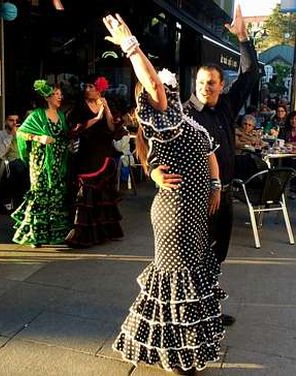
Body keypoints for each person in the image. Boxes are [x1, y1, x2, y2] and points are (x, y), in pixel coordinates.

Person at [103, 14, 225, 375]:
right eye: (162, 87)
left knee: (191, 272)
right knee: (175, 276)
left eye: (168, 85)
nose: (166, 88)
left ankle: (189, 343)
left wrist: (215, 186)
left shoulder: (186, 121)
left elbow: (209, 152)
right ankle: (174, 352)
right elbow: (152, 85)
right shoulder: (163, 114)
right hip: (175, 211)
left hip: (194, 209)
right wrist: (131, 46)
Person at [151, 4, 258, 327]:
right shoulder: (184, 113)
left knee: (217, 255)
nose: (205, 88)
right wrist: (154, 169)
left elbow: (251, 74)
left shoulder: (226, 105)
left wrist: (242, 38)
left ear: (221, 86)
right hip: (196, 198)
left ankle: (208, 306)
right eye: (200, 82)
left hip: (224, 194)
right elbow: (159, 146)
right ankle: (191, 313)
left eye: (211, 83)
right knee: (195, 256)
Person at [65, 75, 124, 247]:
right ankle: (81, 232)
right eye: (87, 86)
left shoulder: (108, 104)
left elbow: (113, 128)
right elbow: (75, 128)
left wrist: (105, 110)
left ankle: (103, 232)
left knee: (102, 193)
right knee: (85, 190)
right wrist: (96, 117)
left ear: (100, 89)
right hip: (87, 153)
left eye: (91, 86)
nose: (88, 89)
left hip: (104, 153)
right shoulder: (80, 107)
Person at [12, 80, 70, 247]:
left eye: (60, 94)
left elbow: (64, 137)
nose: (60, 97)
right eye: (56, 94)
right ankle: (35, 235)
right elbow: (21, 132)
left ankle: (55, 235)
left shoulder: (61, 116)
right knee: (39, 195)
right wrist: (39, 138)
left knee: (57, 196)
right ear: (47, 97)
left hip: (58, 163)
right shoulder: (37, 115)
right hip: (40, 163)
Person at [0, 111, 29, 212]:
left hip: (24, 160)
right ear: (5, 122)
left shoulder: (23, 133)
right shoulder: (0, 134)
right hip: (10, 161)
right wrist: (10, 136)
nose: (14, 123)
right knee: (20, 167)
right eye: (11, 120)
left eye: (16, 121)